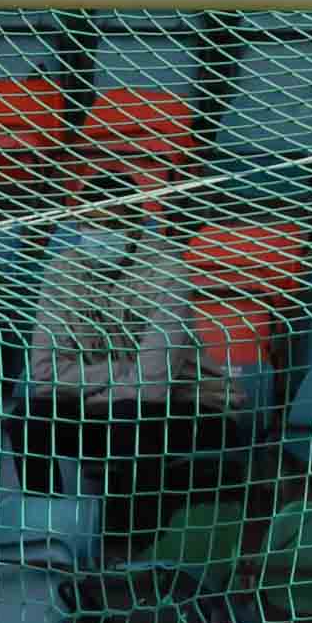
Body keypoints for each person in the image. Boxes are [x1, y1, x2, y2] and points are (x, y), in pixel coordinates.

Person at [16, 222, 241, 552]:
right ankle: (47, 536)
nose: (97, 234)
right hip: (109, 407)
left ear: (132, 225)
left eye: (108, 225)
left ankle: (128, 550)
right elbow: (45, 375)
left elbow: (150, 388)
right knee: (29, 416)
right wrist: (116, 370)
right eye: (87, 225)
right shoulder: (63, 271)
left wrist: (85, 391)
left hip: (198, 408)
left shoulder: (167, 271)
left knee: (130, 416)